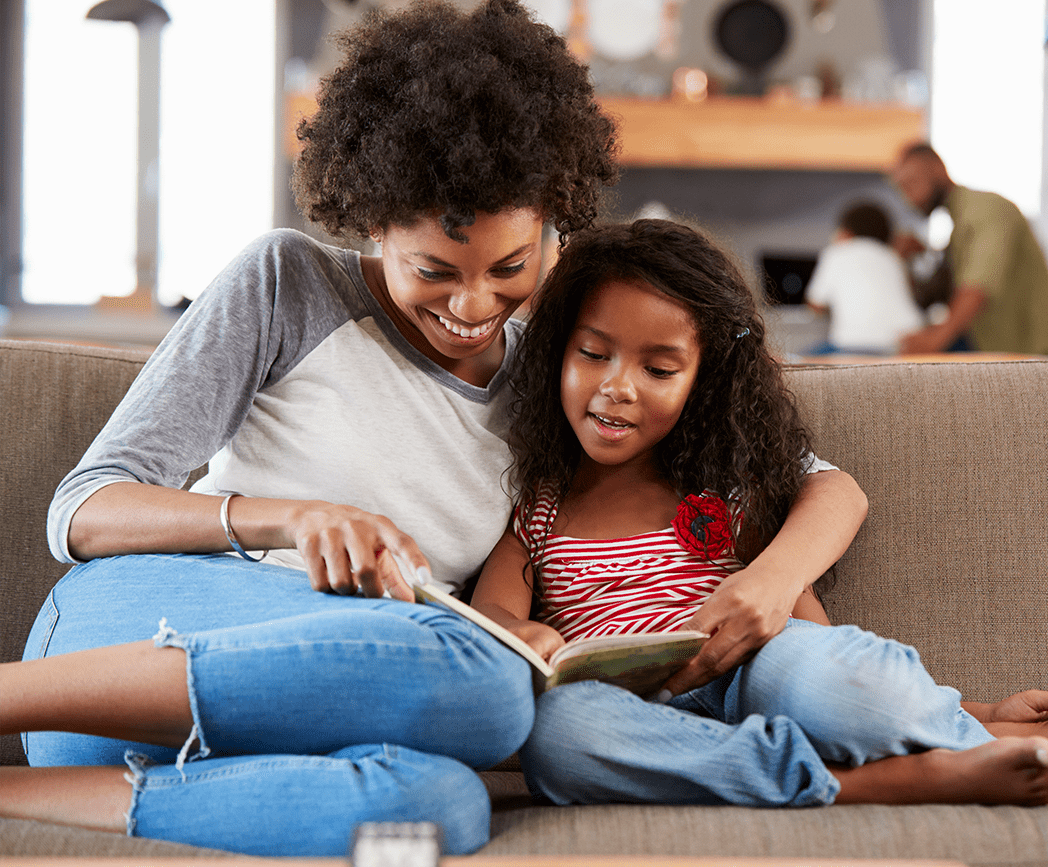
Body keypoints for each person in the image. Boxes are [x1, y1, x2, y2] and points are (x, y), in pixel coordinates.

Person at [0, 0, 619, 856]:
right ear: (372, 219)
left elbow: (769, 463)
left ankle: (20, 796)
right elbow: (81, 511)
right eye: (432, 271)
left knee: (441, 808)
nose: (472, 306)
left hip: (315, 704)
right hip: (115, 656)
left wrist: (515, 628)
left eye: (510, 268)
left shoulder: (559, 372)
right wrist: (289, 516)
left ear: (555, 217)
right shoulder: (288, 283)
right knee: (482, 688)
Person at [471, 218, 1048, 810]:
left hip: (752, 673)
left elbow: (809, 635)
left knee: (836, 680)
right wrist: (523, 636)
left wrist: (975, 704)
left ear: (702, 379)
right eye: (592, 354)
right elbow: (494, 611)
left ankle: (967, 731)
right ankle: (875, 779)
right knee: (558, 738)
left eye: (659, 367)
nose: (617, 385)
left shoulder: (718, 488)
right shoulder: (538, 507)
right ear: (556, 350)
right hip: (631, 711)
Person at [890, 142, 1048, 357]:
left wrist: (935, 339)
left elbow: (977, 286)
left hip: (1035, 360)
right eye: (901, 189)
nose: (908, 198)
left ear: (937, 168)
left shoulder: (987, 209)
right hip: (1000, 357)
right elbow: (938, 295)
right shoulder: (958, 227)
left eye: (911, 183)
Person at [804, 201, 925, 355]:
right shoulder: (892, 256)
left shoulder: (836, 252)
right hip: (907, 340)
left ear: (845, 232)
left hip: (855, 343)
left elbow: (815, 305)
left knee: (798, 359)